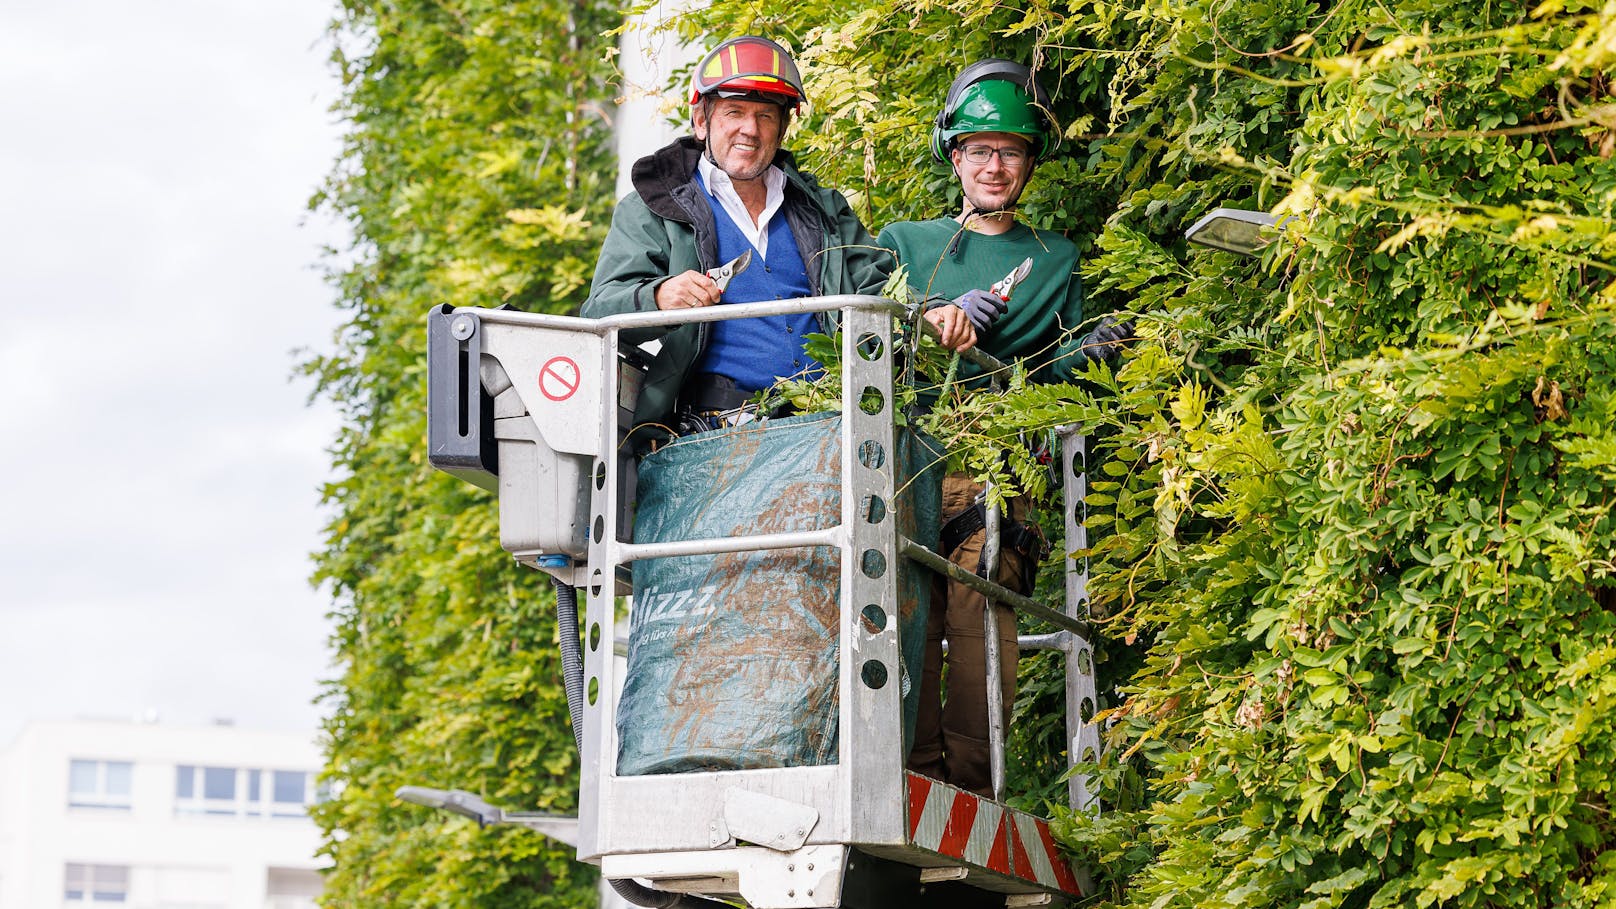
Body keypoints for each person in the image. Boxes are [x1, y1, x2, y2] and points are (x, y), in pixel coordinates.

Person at [877, 59, 1131, 798]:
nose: (995, 164)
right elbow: (869, 350)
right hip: (912, 458)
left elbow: (1052, 376)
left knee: (982, 616)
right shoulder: (906, 243)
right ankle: (912, 787)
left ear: (1029, 163)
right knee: (910, 617)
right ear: (953, 156)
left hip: (998, 466)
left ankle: (973, 793)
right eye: (980, 149)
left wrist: (1091, 356)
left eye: (1011, 150)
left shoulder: (1055, 259)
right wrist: (935, 316)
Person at [583, 36, 974, 442]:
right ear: (702, 121)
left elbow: (877, 285)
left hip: (835, 426)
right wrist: (659, 298)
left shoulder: (822, 210)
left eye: (766, 116)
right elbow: (597, 314)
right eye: (734, 112)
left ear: (783, 126)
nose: (749, 130)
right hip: (713, 435)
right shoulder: (654, 207)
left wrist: (929, 311)